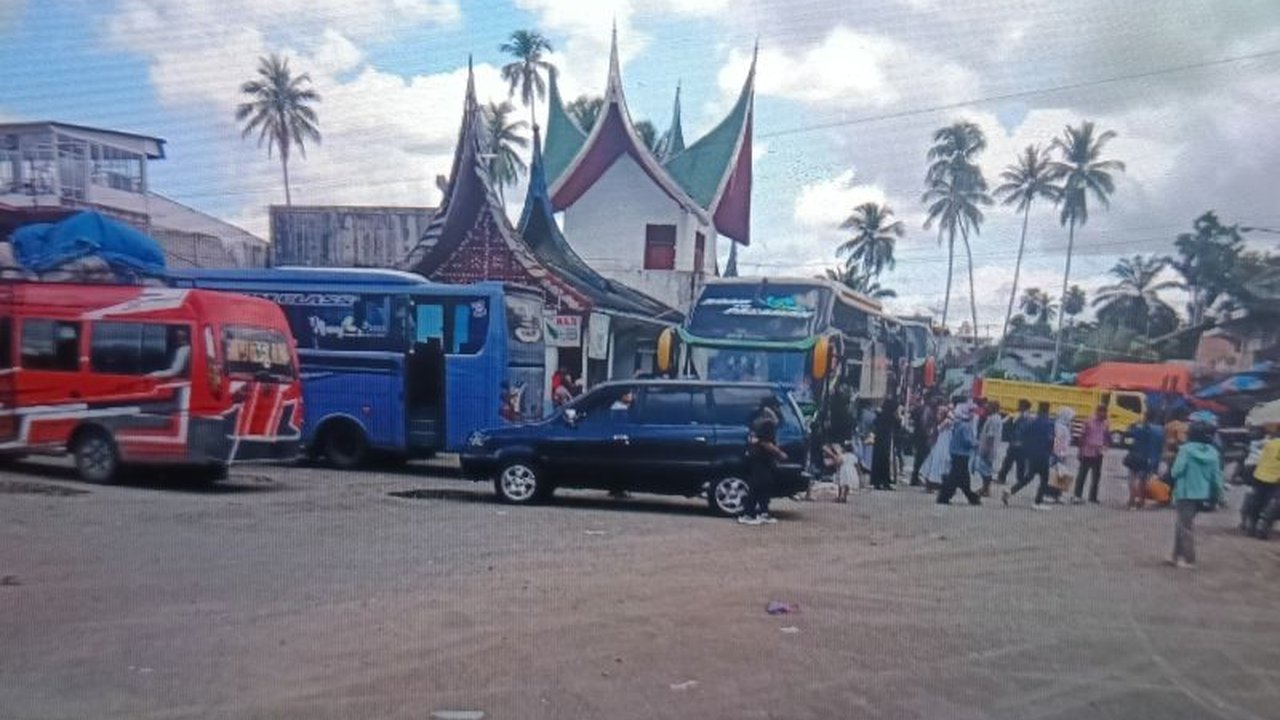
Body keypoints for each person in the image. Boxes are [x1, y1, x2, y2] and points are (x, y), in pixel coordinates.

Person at [1168, 422, 1224, 569]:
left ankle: (1188, 558)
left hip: (1185, 492)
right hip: (1202, 494)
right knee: (1183, 524)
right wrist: (1219, 496)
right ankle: (1175, 555)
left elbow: (1176, 471)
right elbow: (1216, 478)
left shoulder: (1185, 450)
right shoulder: (1213, 453)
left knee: (1184, 526)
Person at [740, 396, 787, 525]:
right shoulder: (767, 422)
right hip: (761, 458)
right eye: (777, 406)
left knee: (764, 485)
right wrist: (780, 453)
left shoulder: (758, 418)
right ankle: (748, 514)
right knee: (758, 486)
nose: (779, 409)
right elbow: (765, 442)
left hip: (759, 457)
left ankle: (763, 513)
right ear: (772, 407)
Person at [1003, 402, 1056, 510]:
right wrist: (1050, 452)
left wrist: (1028, 448)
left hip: (1032, 454)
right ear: (1048, 410)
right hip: (1043, 454)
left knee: (1029, 477)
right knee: (1044, 479)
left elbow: (1023, 434)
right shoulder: (1049, 423)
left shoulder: (1032, 421)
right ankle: (1038, 502)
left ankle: (1010, 491)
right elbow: (1050, 440)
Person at [937, 403, 982, 505]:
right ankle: (945, 497)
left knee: (962, 478)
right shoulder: (965, 426)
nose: (972, 415)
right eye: (971, 412)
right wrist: (976, 444)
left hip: (957, 453)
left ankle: (971, 496)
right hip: (961, 454)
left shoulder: (959, 424)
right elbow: (967, 441)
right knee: (955, 478)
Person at [1242, 427, 1280, 538]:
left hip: (1260, 475)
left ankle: (1252, 524)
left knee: (1258, 499)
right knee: (1276, 502)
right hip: (1276, 478)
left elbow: (1255, 452)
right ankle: (1265, 521)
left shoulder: (1268, 443)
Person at [1126, 411, 1165, 510]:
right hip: (1149, 458)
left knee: (1133, 478)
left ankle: (1132, 499)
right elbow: (1161, 446)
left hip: (1136, 456)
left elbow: (1129, 434)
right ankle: (1141, 500)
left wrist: (1133, 425)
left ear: (1145, 417)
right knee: (1142, 480)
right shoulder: (1160, 430)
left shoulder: (1140, 428)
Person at [1074, 404, 1109, 504]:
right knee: (1082, 475)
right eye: (1103, 412)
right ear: (1097, 412)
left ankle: (1093, 497)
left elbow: (1106, 436)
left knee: (1096, 476)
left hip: (1098, 453)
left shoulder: (1106, 423)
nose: (1105, 414)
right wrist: (1080, 451)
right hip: (1087, 452)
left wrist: (1105, 446)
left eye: (1105, 412)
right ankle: (1077, 495)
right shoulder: (1088, 422)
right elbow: (1082, 437)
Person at [998, 400, 1032, 486]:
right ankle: (1020, 480)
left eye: (1020, 405)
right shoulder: (1030, 418)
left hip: (1015, 443)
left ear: (1023, 407)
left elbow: (1004, 423)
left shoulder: (1017, 415)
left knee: (1008, 462)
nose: (1019, 407)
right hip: (1023, 445)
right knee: (1020, 464)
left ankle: (1002, 478)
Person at [919, 406, 953, 492]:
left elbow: (940, 428)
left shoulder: (947, 422)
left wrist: (949, 415)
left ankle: (935, 485)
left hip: (943, 446)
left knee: (938, 465)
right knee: (931, 464)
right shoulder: (941, 422)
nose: (938, 415)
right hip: (938, 446)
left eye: (940, 413)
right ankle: (930, 485)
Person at [974, 401, 1003, 497]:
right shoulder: (996, 418)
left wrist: (986, 449)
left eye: (989, 407)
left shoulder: (993, 419)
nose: (987, 409)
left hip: (988, 448)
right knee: (987, 469)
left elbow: (990, 436)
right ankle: (985, 488)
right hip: (990, 448)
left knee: (983, 469)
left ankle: (986, 488)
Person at [870, 399, 900, 490]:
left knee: (878, 462)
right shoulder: (891, 416)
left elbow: (874, 424)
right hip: (885, 442)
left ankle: (877, 482)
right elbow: (898, 426)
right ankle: (885, 482)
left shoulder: (879, 415)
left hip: (879, 441)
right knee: (885, 462)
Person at [909, 396, 936, 486]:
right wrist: (928, 435)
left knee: (919, 459)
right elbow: (924, 424)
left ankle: (915, 478)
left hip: (919, 438)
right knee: (922, 459)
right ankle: (917, 478)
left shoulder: (921, 409)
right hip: (923, 439)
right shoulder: (927, 410)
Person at [1162, 408, 1190, 478]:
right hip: (1175, 456)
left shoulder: (1167, 425)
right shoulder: (1182, 426)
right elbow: (1182, 441)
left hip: (1165, 454)